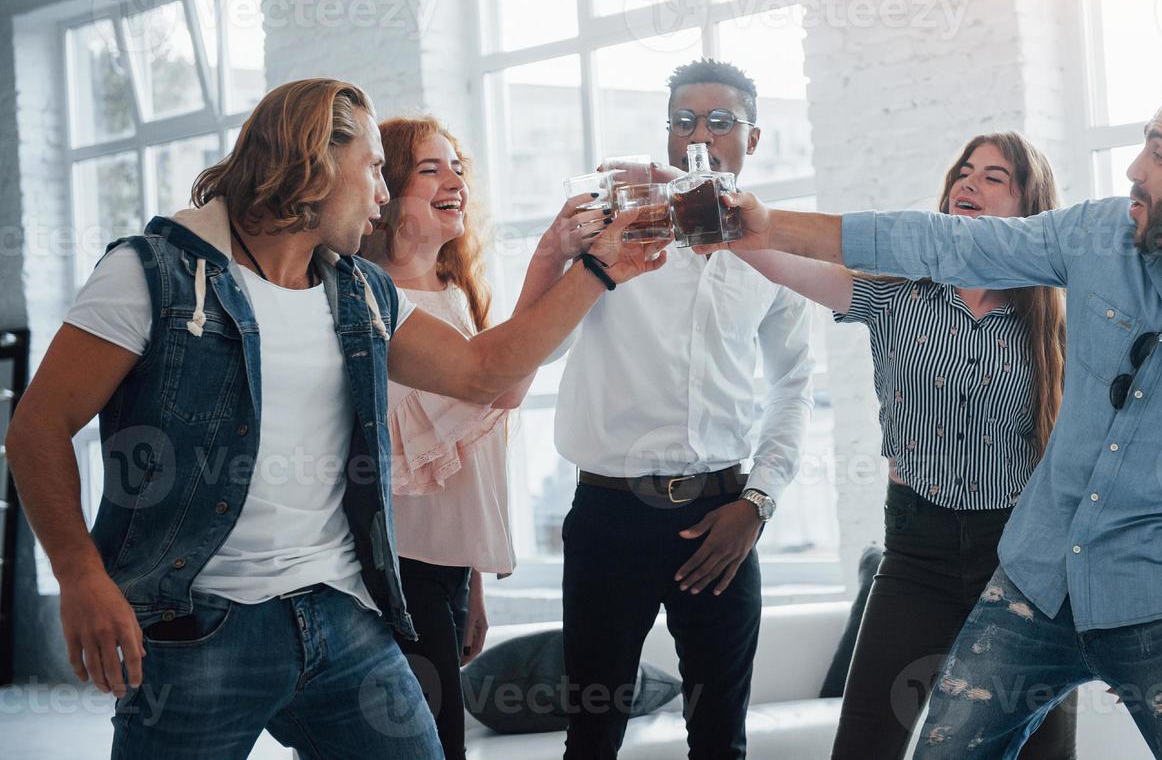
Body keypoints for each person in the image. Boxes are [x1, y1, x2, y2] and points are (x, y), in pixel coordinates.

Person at [698, 79, 1162, 759]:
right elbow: (949, 244)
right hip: (1032, 582)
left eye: (1159, 152)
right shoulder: (1098, 235)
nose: (1133, 168)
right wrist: (767, 223)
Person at [6, 79, 665, 760]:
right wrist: (81, 573)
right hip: (197, 628)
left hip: (341, 615)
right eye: (376, 168)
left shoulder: (361, 292)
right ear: (315, 162)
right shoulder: (153, 273)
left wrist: (596, 268)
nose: (383, 193)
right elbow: (37, 427)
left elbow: (482, 372)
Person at [732, 132, 1077, 759]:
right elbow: (782, 257)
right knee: (865, 745)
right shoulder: (899, 293)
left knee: (1042, 753)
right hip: (918, 555)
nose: (968, 183)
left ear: (1029, 208)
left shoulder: (1059, 320)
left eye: (994, 177)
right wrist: (723, 218)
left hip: (1024, 560)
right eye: (963, 172)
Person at [515, 58, 815, 759]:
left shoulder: (771, 250)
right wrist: (572, 252)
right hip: (609, 517)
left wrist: (759, 502)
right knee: (591, 739)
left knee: (719, 741)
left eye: (718, 121)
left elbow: (792, 385)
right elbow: (537, 351)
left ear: (753, 137)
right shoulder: (616, 231)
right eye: (682, 122)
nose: (697, 136)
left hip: (722, 517)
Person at [361, 116, 613, 758]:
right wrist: (554, 259)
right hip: (396, 567)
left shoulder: (454, 293)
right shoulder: (370, 298)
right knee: (430, 744)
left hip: (444, 569)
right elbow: (494, 387)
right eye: (430, 169)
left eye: (458, 168)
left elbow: (502, 397)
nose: (455, 181)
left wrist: (471, 580)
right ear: (385, 189)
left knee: (444, 744)